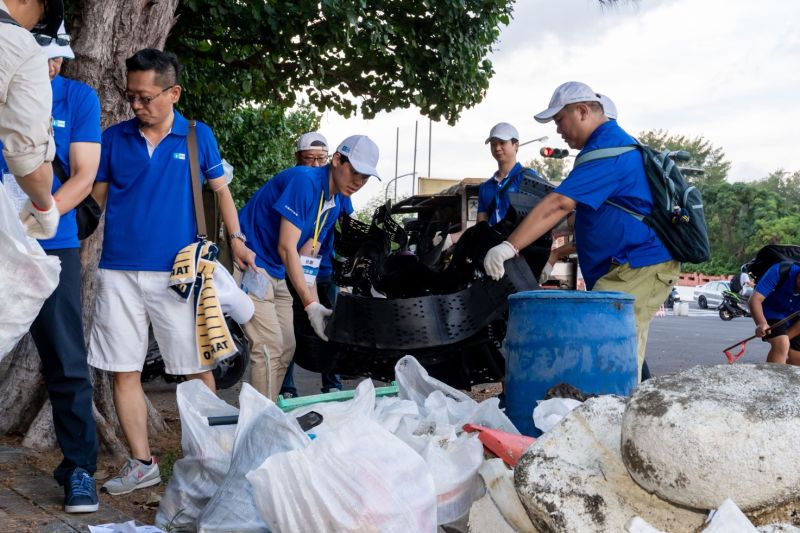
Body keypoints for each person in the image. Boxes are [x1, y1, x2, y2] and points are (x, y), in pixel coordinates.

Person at [87, 49, 255, 496]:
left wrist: (236, 240)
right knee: (122, 368)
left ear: (173, 92)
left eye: (145, 97)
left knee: (196, 368)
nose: (137, 106)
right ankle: (141, 463)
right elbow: (95, 202)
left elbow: (222, 193)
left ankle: (213, 459)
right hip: (118, 272)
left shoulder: (199, 137)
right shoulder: (113, 138)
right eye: (131, 97)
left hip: (179, 276)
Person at [484, 82, 679, 379]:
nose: (558, 129)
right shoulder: (604, 149)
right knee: (618, 345)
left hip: (640, 264)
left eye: (560, 119)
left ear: (583, 111)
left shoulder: (607, 152)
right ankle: (627, 408)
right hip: (628, 267)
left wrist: (510, 246)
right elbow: (583, 220)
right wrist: (552, 254)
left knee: (607, 343)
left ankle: (619, 417)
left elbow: (559, 203)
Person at [0, 19, 101, 514]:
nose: (56, 64)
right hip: (1, 241)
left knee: (66, 359)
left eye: (61, 56)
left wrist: (43, 215)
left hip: (52, 243)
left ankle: (80, 469)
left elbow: (84, 175)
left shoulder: (78, 99)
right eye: (46, 55)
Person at [238, 135, 378, 400]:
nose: (359, 182)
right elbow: (286, 247)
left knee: (288, 347)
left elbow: (307, 259)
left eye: (366, 177)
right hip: (252, 263)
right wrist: (308, 302)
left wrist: (313, 306)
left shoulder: (333, 204)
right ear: (337, 160)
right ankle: (256, 421)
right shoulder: (305, 182)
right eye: (355, 172)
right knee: (268, 348)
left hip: (276, 272)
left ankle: (267, 410)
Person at [0, 0, 63, 238]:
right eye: (40, 18)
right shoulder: (19, 45)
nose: (30, 28)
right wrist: (44, 207)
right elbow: (29, 160)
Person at [477, 122, 532, 226]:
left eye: (502, 142)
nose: (497, 148)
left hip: (520, 242)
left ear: (516, 145)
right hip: (491, 242)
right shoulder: (485, 187)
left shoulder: (529, 178)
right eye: (493, 144)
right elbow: (480, 228)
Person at [750, 262, 800, 365]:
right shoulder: (780, 270)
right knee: (782, 343)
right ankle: (772, 379)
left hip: (795, 315)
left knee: (796, 357)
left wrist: (787, 339)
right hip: (772, 312)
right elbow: (755, 300)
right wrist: (761, 324)